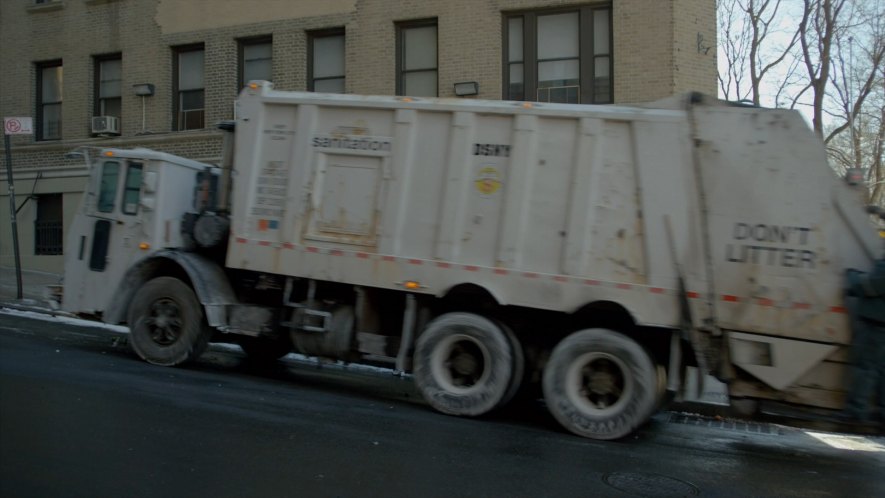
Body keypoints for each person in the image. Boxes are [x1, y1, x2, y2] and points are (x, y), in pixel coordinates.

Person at [842, 259, 885, 430]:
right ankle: (882, 411)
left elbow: (871, 287)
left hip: (876, 323)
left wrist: (852, 277)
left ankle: (855, 410)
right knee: (881, 370)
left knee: (865, 367)